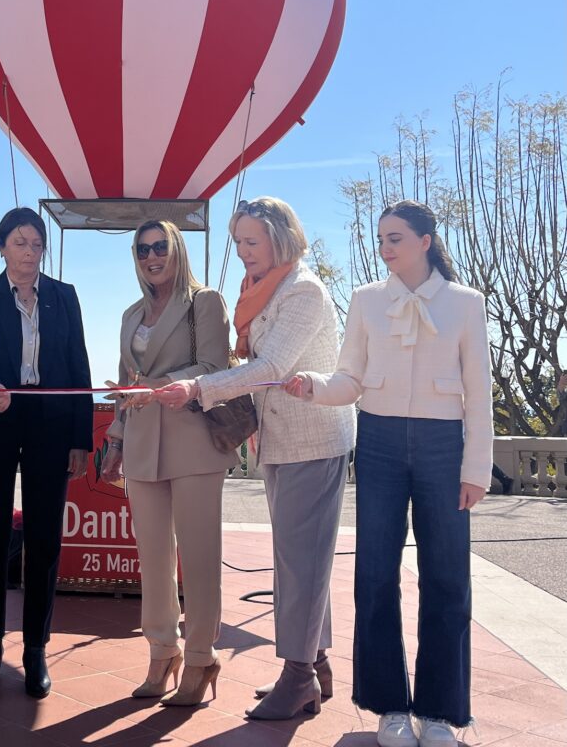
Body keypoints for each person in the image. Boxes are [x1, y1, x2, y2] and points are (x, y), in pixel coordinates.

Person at [283, 200, 492, 747]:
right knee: (375, 574)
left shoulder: (466, 303)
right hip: (377, 443)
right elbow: (349, 378)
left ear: (425, 241)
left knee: (447, 578)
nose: (385, 248)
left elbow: (479, 394)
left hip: (444, 447)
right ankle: (389, 707)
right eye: (381, 239)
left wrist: (475, 467)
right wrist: (313, 385)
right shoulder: (366, 300)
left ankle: (441, 712)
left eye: (395, 238)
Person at [157, 197, 355, 720]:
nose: (243, 251)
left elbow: (271, 367)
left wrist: (198, 387)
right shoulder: (263, 290)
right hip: (281, 441)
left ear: (280, 238)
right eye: (238, 241)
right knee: (298, 559)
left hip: (313, 441)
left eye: (252, 241)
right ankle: (315, 667)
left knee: (301, 562)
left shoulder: (303, 290)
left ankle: (299, 676)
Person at [0, 207, 93, 698]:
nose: (30, 252)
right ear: (2, 247)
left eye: (37, 243)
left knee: (44, 537)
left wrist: (81, 437)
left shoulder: (64, 295)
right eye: (20, 242)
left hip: (50, 424)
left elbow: (78, 364)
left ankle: (36, 647)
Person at [100, 220, 232, 707]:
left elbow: (215, 369)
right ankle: (161, 652)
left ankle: (200, 657)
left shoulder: (205, 302)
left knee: (198, 558)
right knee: (152, 559)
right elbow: (125, 382)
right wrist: (116, 439)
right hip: (140, 444)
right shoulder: (130, 314)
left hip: (192, 441)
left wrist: (157, 387)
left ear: (177, 250)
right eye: (142, 250)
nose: (152, 256)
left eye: (161, 247)